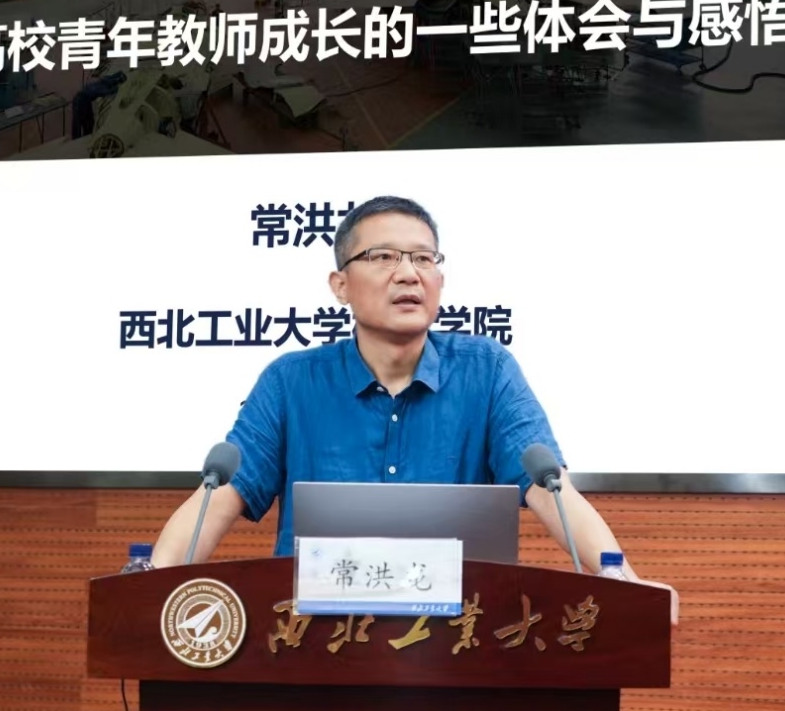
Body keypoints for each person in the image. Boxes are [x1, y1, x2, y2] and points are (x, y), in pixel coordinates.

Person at [151, 196, 679, 623]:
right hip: (312, 641)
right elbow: (217, 499)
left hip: (460, 641)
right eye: (383, 257)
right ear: (340, 286)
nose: (409, 274)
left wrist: (624, 581)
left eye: (424, 259)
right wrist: (150, 583)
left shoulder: (487, 371)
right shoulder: (292, 381)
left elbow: (550, 490)